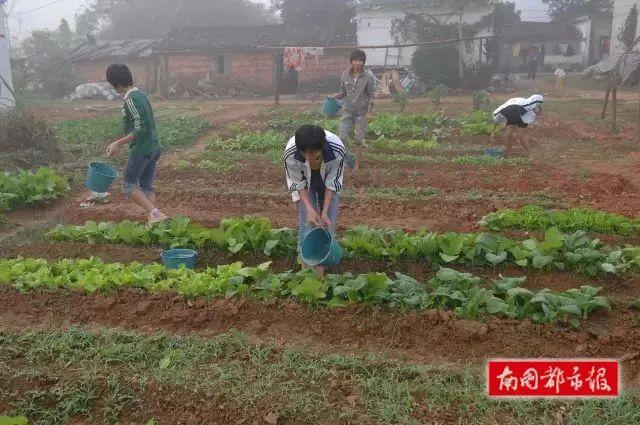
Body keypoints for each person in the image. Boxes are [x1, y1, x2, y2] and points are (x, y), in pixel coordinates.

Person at [105, 64, 167, 224]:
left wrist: (118, 143)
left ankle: (156, 214)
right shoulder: (141, 95)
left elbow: (139, 128)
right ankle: (154, 222)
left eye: (112, 85)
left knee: (129, 185)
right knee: (146, 187)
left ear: (117, 84)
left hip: (142, 150)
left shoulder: (130, 99)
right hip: (153, 147)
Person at [285, 124, 345, 277]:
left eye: (314, 154)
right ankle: (305, 273)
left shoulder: (337, 150)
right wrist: (309, 208)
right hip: (305, 182)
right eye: (305, 153)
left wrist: (324, 212)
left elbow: (332, 183)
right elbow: (298, 183)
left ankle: (319, 275)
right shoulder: (291, 154)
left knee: (328, 221)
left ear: (322, 147)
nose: (309, 158)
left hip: (327, 178)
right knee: (307, 220)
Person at [333, 49, 375, 170]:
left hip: (362, 112)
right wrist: (335, 96)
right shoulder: (345, 75)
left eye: (360, 61)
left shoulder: (368, 77)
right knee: (342, 137)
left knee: (358, 139)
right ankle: (346, 163)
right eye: (355, 60)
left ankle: (356, 166)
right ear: (351, 61)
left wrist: (369, 112)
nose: (357, 63)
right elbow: (343, 92)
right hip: (348, 110)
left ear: (363, 63)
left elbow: (371, 95)